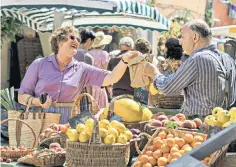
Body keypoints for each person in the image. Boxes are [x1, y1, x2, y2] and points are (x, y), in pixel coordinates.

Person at [18, 26, 140, 124]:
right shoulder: (39, 64)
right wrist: (37, 101)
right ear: (59, 41)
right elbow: (21, 96)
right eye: (72, 37)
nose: (76, 40)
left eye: (78, 39)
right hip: (40, 120)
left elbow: (111, 77)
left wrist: (124, 61)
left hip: (68, 122)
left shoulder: (82, 69)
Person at [144, 19, 236, 117]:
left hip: (199, 127)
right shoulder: (228, 59)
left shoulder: (197, 59)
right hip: (224, 127)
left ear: (195, 37)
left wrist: (154, 73)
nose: (180, 42)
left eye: (183, 37)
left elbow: (168, 88)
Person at [88, 31, 112, 108]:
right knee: (101, 108)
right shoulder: (104, 54)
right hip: (100, 83)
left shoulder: (88, 53)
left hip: (89, 84)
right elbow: (106, 70)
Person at [73, 29, 96, 112]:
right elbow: (89, 81)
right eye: (93, 41)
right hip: (81, 93)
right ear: (89, 40)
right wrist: (90, 99)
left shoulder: (69, 53)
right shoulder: (87, 57)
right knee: (82, 122)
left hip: (66, 93)